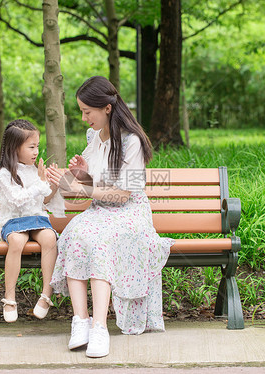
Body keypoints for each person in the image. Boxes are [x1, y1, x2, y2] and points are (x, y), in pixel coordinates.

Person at [51, 76, 174, 358]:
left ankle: (99, 327)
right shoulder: (94, 137)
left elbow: (123, 194)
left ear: (106, 107)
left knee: (101, 240)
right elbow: (91, 186)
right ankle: (80, 321)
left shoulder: (132, 142)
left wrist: (81, 185)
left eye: (87, 112)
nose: (84, 119)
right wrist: (81, 173)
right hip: (100, 212)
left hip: (129, 214)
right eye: (81, 112)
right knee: (76, 234)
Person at [0, 119, 65, 323]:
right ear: (14, 148)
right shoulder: (5, 173)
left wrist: (52, 185)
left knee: (50, 238)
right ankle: (9, 298)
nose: (36, 152)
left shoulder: (36, 170)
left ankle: (46, 295)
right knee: (16, 241)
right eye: (31, 147)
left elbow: (43, 200)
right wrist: (41, 183)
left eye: (37, 147)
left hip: (36, 219)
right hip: (14, 220)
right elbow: (17, 201)